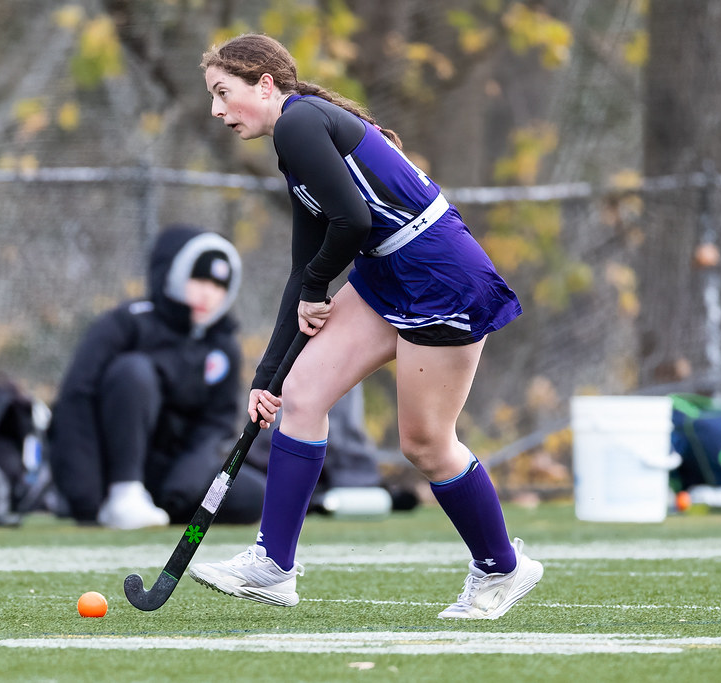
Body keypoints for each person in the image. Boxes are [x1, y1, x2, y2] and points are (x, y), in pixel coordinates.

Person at [188, 34, 543, 620]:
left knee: (425, 444)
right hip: (386, 272)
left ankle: (502, 567)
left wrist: (315, 285)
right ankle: (273, 567)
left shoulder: (301, 124)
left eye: (225, 93)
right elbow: (306, 269)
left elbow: (350, 221)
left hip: (438, 274)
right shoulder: (292, 144)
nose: (217, 110)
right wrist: (267, 376)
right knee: (301, 394)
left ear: (266, 84)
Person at [48, 226, 267, 529]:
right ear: (172, 273)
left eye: (219, 285)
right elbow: (77, 397)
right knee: (133, 372)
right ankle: (123, 495)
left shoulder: (223, 345)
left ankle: (160, 507)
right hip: (111, 467)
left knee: (253, 496)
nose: (208, 293)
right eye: (199, 279)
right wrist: (85, 493)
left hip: (169, 472)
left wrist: (185, 484)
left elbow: (216, 423)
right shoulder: (127, 322)